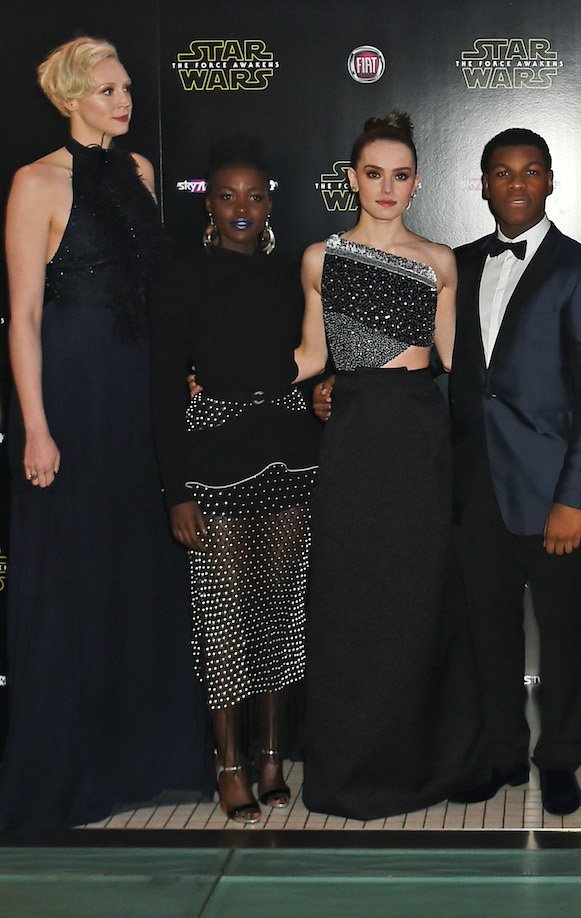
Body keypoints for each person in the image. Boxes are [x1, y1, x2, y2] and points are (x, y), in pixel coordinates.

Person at [0, 36, 209, 831]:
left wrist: (177, 370)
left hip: (137, 391)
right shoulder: (34, 183)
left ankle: (141, 759)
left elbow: (156, 293)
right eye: (108, 89)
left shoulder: (141, 175)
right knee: (72, 574)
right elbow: (22, 316)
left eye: (126, 87)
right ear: (70, 98)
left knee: (136, 566)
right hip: (73, 390)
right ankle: (70, 766)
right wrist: (35, 426)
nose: (125, 100)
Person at [295, 111, 484, 820]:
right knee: (351, 604)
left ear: (416, 182)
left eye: (400, 175)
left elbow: (457, 365)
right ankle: (346, 773)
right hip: (353, 439)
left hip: (418, 438)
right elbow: (312, 357)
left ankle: (413, 766)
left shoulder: (438, 261)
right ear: (352, 178)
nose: (386, 187)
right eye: (373, 173)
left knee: (413, 600)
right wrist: (227, 377)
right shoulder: (320, 258)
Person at [447, 128, 581, 816]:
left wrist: (574, 496)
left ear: (550, 183)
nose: (515, 185)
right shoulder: (455, 265)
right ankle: (501, 754)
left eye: (530, 173)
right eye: (501, 173)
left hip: (555, 492)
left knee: (563, 631)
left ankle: (559, 762)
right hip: (476, 485)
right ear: (484, 184)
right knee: (487, 629)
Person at [149, 137, 320, 823]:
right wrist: (178, 491)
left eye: (254, 196)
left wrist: (327, 390)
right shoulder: (179, 279)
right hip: (215, 469)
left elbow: (318, 359)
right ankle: (229, 764)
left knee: (280, 618)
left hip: (291, 460)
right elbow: (164, 392)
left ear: (270, 203)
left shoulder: (294, 276)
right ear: (209, 205)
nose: (241, 208)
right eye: (227, 196)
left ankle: (275, 757)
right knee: (224, 623)